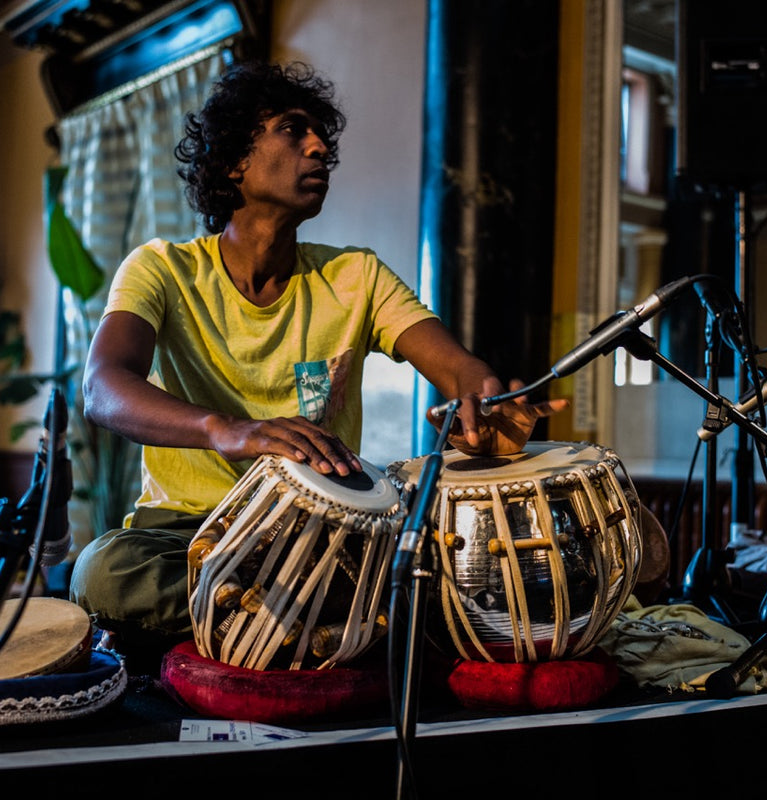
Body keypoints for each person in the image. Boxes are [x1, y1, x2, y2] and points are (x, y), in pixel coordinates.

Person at [68, 61, 568, 662]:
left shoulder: (355, 275)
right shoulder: (163, 269)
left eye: (322, 136)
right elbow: (104, 385)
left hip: (322, 538)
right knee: (104, 572)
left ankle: (253, 622)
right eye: (292, 129)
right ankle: (324, 619)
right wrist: (227, 430)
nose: (320, 147)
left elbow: (458, 367)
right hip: (189, 534)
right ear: (234, 162)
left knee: (442, 556)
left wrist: (485, 399)